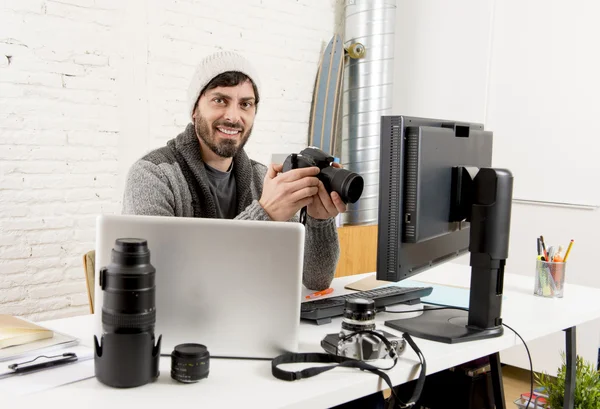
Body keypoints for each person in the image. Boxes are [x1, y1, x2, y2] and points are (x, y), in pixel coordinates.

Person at [122, 50, 345, 291]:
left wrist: (320, 220)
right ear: (195, 109)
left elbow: (315, 280)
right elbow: (160, 280)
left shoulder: (263, 179)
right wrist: (264, 214)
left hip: (251, 318)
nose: (233, 117)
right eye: (220, 100)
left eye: (245, 104)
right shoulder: (153, 175)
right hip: (180, 326)